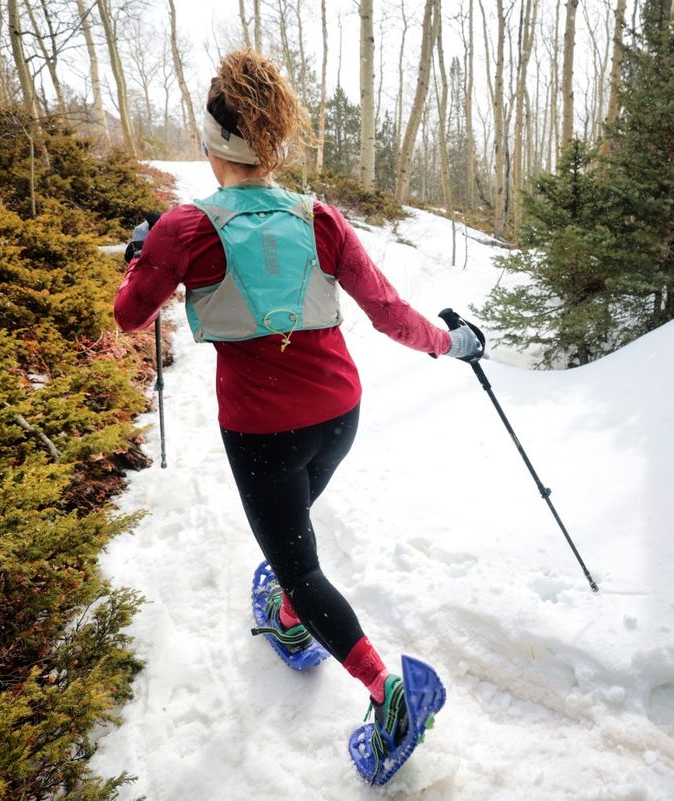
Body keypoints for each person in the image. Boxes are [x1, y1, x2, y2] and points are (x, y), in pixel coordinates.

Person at [113, 49, 481, 771]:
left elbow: (131, 314)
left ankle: (386, 692)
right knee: (292, 534)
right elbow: (388, 313)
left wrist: (140, 255)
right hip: (339, 416)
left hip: (261, 432)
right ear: (273, 141)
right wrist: (451, 342)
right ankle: (286, 611)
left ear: (212, 141)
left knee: (300, 561)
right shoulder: (321, 219)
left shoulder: (183, 230)